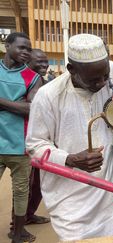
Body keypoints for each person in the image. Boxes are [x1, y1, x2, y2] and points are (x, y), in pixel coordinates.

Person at [26, 33, 113, 242]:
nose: (103, 83)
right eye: (94, 79)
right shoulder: (49, 95)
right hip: (70, 197)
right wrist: (70, 159)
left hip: (112, 191)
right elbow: (35, 145)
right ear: (72, 70)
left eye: (105, 75)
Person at [0, 32, 43, 243]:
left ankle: (18, 233)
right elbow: (24, 106)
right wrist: (16, 105)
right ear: (7, 46)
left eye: (28, 49)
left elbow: (31, 109)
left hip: (20, 146)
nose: (26, 52)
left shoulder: (33, 77)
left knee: (21, 192)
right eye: (21, 48)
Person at [18, 48, 51, 225]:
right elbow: (30, 108)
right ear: (27, 62)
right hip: (22, 141)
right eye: (39, 62)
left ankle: (29, 215)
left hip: (43, 141)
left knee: (37, 184)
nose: (44, 65)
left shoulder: (44, 83)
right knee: (25, 186)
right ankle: (18, 224)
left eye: (46, 62)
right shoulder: (23, 81)